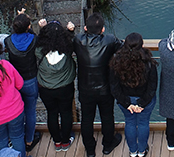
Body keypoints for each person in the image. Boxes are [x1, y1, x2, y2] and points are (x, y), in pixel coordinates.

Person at [73, 13, 123, 156]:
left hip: (85, 88)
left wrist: (72, 31)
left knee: (87, 119)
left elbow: (71, 40)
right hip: (105, 88)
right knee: (107, 116)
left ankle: (90, 150)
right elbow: (122, 47)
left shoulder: (78, 40)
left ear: (85, 28)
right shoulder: (110, 40)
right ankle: (108, 145)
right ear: (102, 29)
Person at [110, 33, 158, 157]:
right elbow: (152, 86)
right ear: (141, 45)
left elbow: (114, 87)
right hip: (144, 100)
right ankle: (142, 151)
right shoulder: (148, 62)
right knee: (143, 123)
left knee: (130, 122)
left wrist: (127, 103)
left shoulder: (117, 62)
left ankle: (132, 151)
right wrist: (142, 103)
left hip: (125, 99)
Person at [34, 21, 76, 151]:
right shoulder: (68, 48)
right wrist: (70, 31)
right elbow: (71, 40)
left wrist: (42, 28)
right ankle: (65, 141)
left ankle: (56, 142)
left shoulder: (39, 51)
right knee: (66, 113)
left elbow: (39, 39)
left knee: (52, 113)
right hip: (65, 88)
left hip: (46, 89)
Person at [3, 12, 40, 152]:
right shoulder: (33, 39)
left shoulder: (8, 41)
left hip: (14, 81)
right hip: (30, 80)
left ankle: (17, 138)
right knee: (30, 111)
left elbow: (16, 34)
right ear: (28, 27)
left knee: (18, 111)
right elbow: (30, 34)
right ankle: (29, 140)